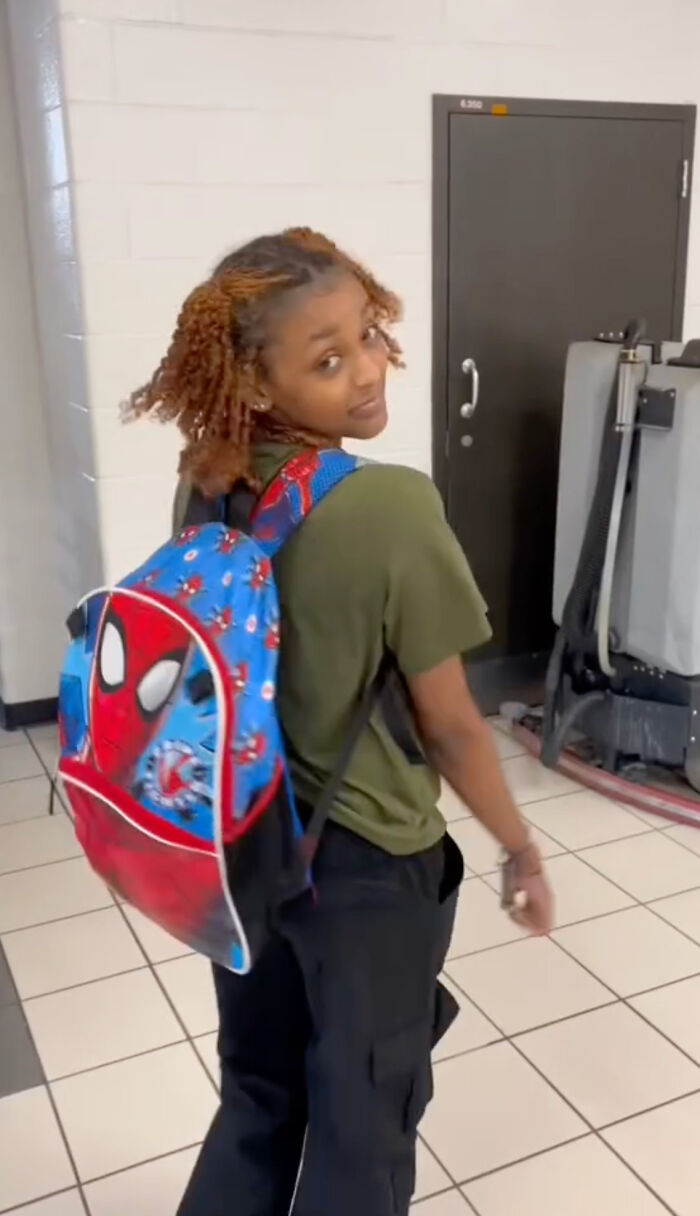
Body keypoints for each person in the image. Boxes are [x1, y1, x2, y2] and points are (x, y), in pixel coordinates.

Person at [125, 227, 553, 1216]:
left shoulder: (209, 478)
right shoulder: (392, 508)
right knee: (363, 1123)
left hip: (238, 846)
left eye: (367, 334)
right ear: (258, 383)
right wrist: (519, 846)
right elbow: (449, 725)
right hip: (365, 866)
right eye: (327, 359)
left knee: (259, 1090)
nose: (366, 372)